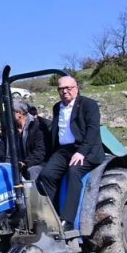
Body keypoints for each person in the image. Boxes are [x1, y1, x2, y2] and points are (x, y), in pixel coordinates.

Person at [36, 76, 105, 227]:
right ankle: (53, 216)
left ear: (76, 88)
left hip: (86, 149)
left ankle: (68, 220)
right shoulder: (57, 107)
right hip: (64, 151)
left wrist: (82, 152)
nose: (65, 91)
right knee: (46, 175)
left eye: (69, 88)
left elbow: (92, 130)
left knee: (74, 171)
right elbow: (56, 128)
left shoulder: (88, 105)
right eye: (61, 89)